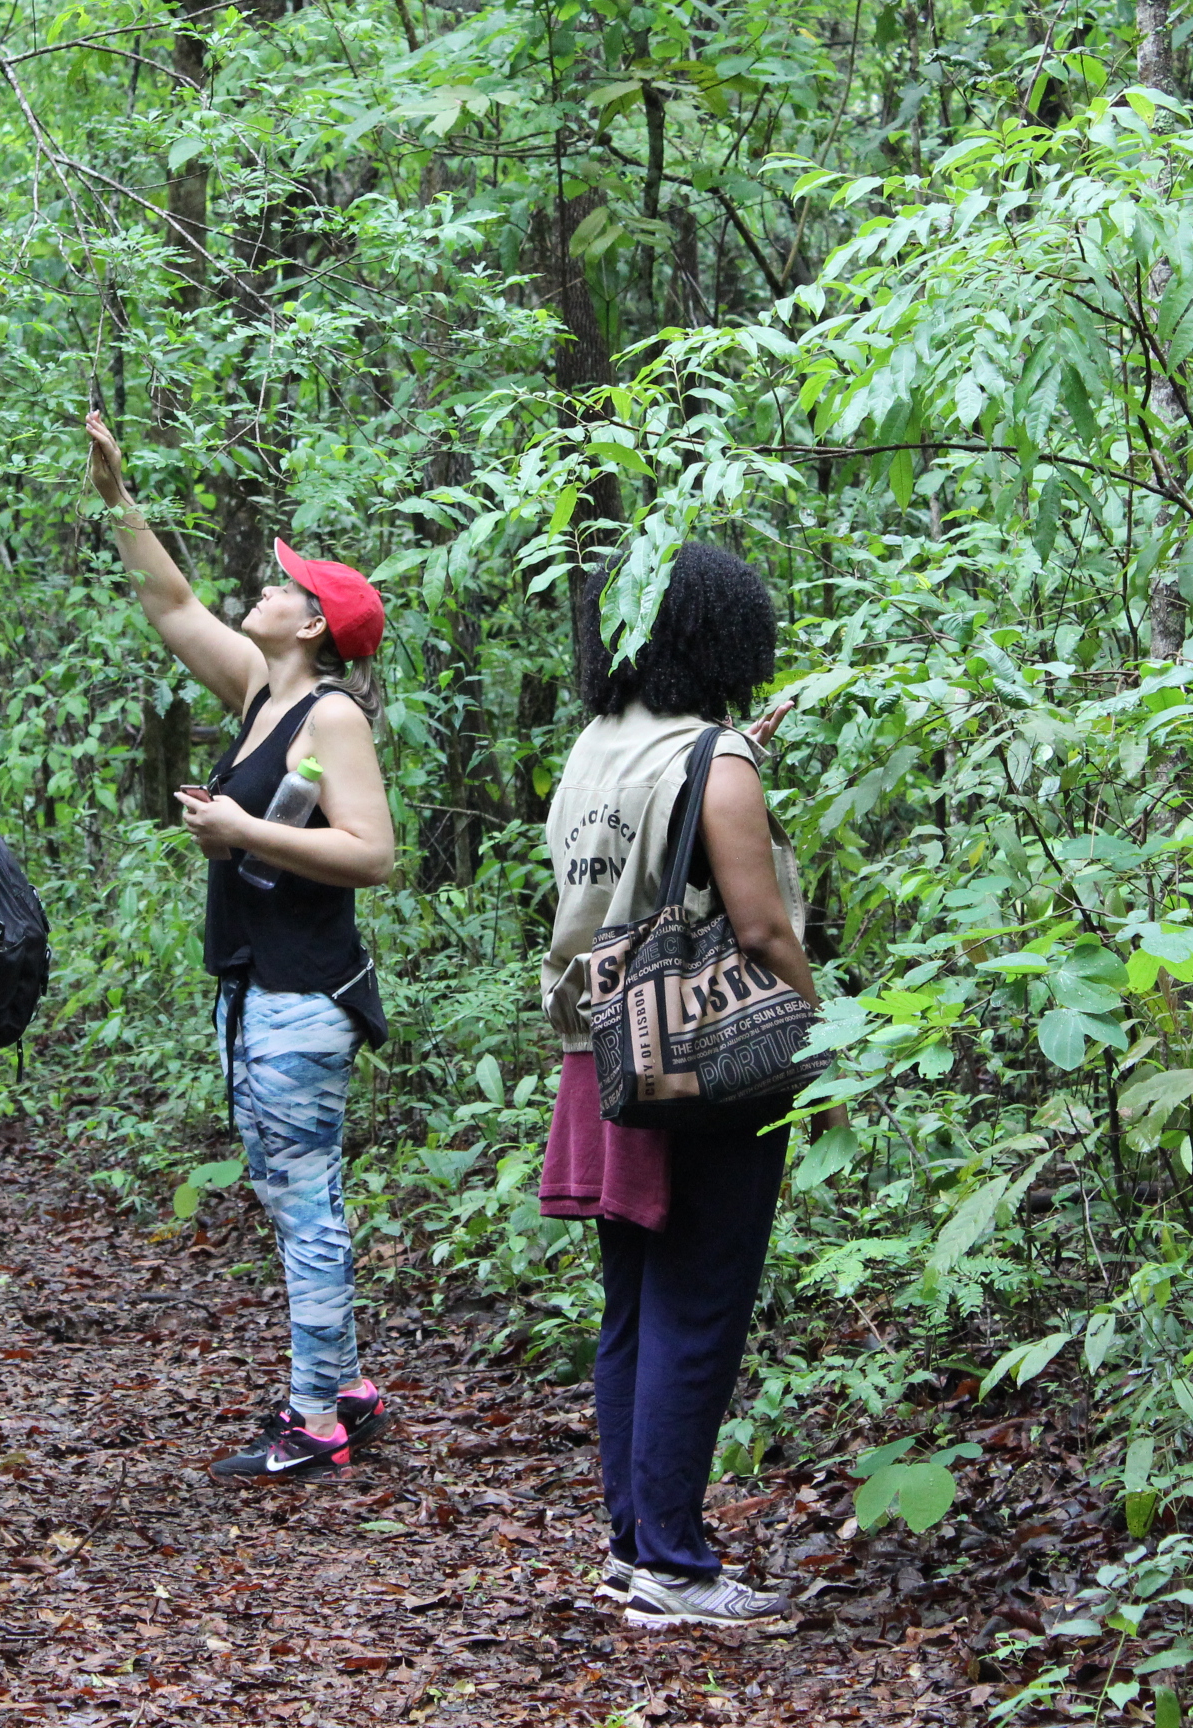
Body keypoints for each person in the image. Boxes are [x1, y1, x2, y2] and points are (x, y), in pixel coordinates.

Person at [84, 412, 400, 1480]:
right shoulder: (265, 693)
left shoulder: (331, 717)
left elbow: (372, 853)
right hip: (259, 989)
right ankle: (344, 1387)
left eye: (283, 585)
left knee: (306, 1204)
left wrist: (241, 830)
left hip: (305, 995)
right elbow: (173, 606)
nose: (263, 588)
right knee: (292, 1194)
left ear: (312, 623)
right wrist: (118, 497)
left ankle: (314, 1420)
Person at [537, 540, 841, 1630]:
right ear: (724, 635)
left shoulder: (597, 746)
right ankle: (674, 1561)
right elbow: (760, 928)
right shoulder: (714, 762)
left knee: (634, 1302)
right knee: (700, 1306)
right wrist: (827, 1036)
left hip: (603, 1057)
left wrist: (736, 756)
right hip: (702, 1065)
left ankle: (635, 1547)